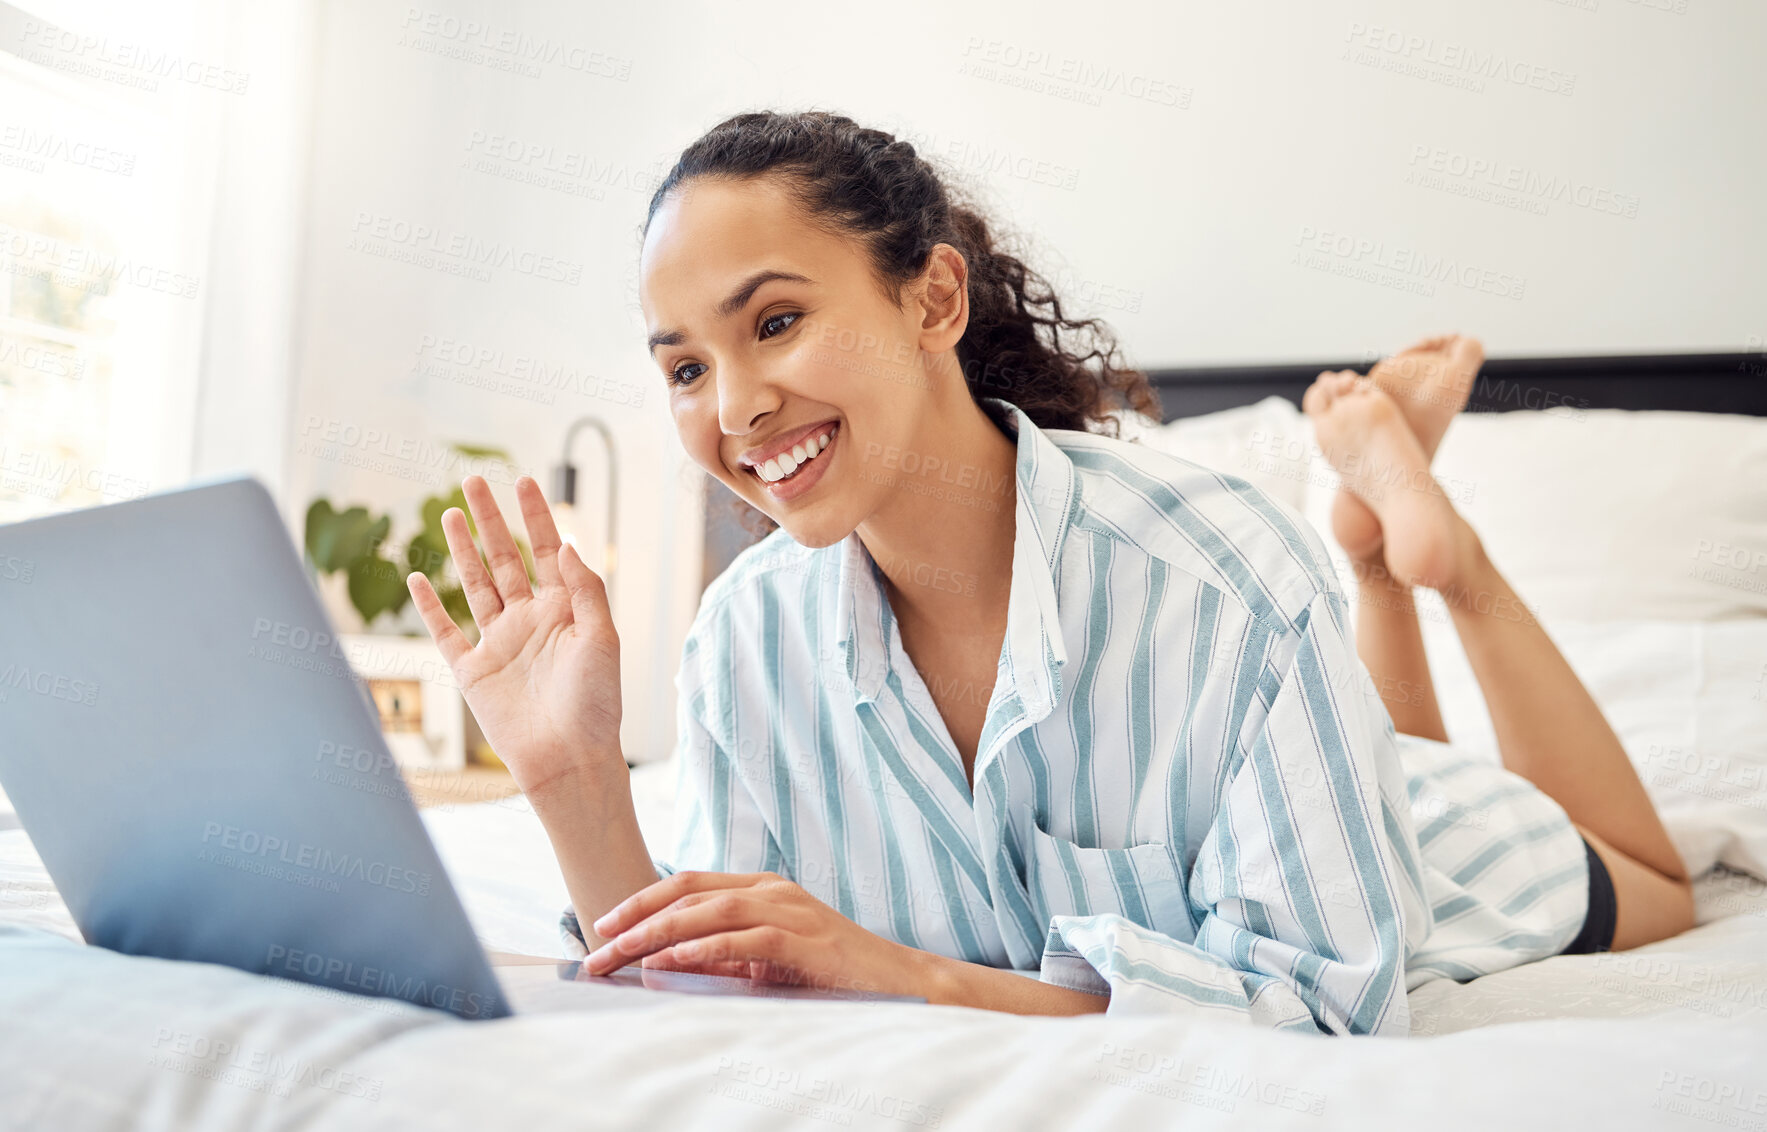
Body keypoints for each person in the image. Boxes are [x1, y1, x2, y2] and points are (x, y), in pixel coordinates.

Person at [406, 110, 1693, 1033]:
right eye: (684, 366)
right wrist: (574, 780)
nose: (734, 405)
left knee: (1658, 880)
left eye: (777, 321)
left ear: (935, 302)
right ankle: (1378, 547)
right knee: (1394, 731)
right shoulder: (743, 638)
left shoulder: (1224, 574)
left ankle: (1433, 555)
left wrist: (907, 973)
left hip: (1430, 834)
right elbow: (720, 989)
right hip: (1325, 757)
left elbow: (1329, 987)